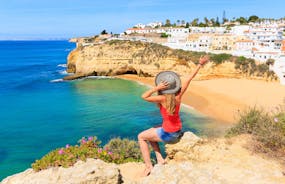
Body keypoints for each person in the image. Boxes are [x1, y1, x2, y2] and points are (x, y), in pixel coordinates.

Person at [138, 55, 209, 176]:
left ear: (164, 87)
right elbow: (188, 79)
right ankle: (160, 159)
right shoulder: (178, 96)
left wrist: (157, 87)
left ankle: (148, 166)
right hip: (177, 131)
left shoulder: (161, 98)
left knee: (141, 137)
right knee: (153, 129)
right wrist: (200, 64)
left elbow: (144, 96)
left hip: (169, 135)